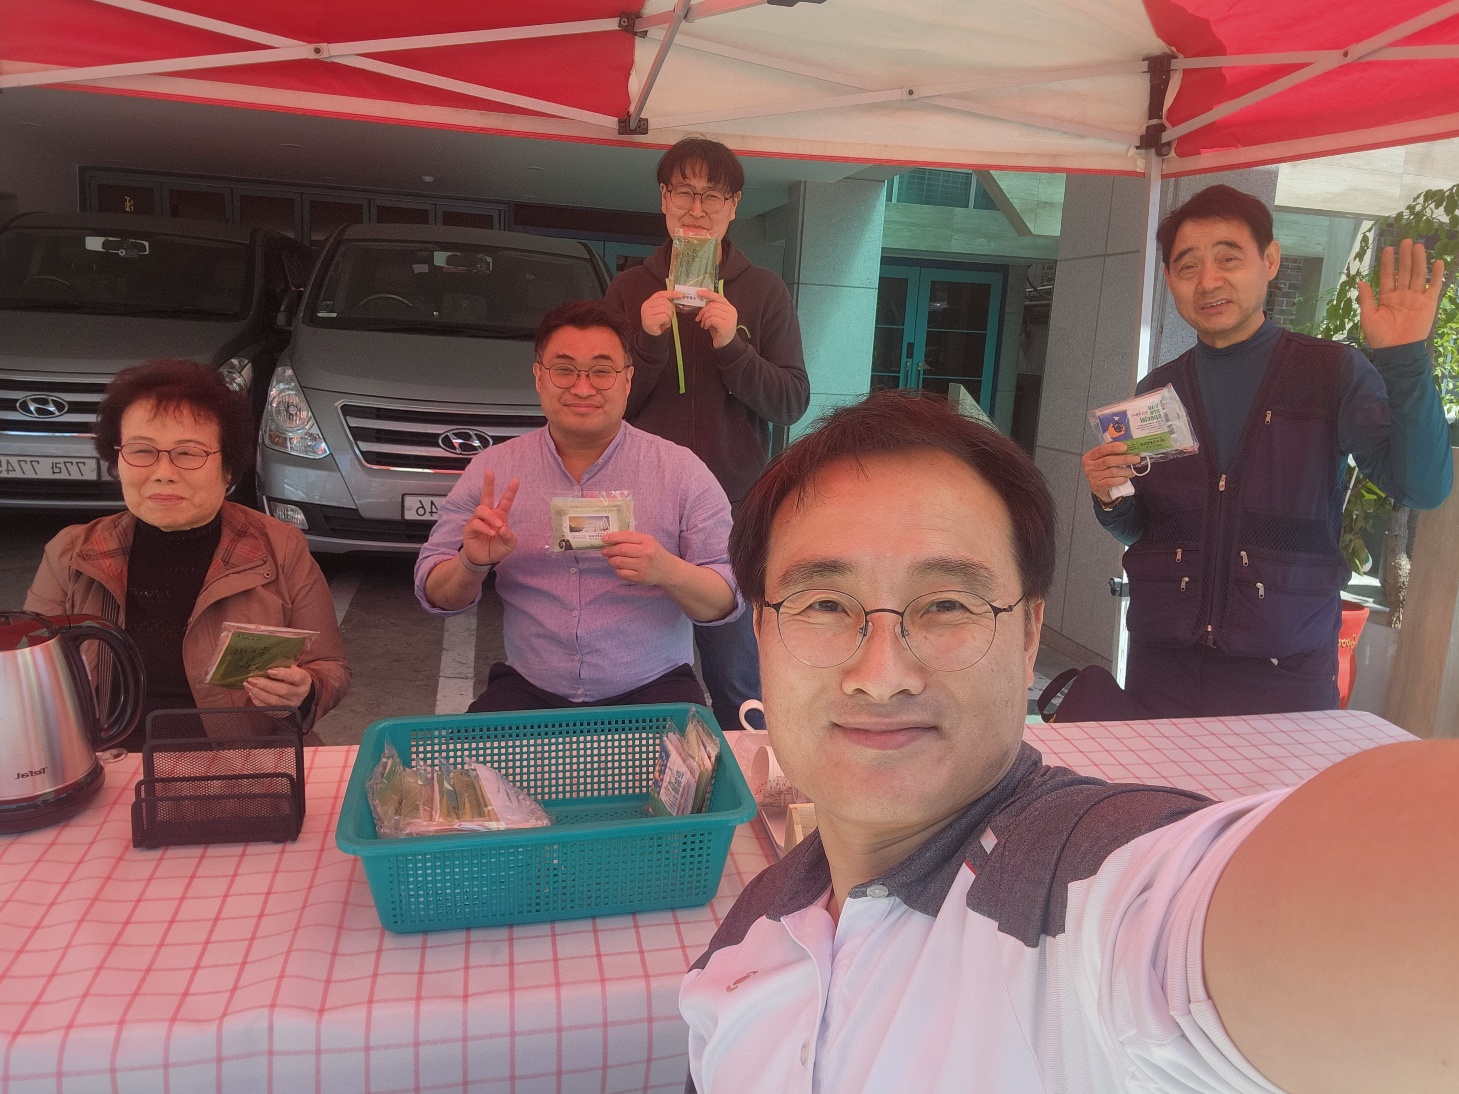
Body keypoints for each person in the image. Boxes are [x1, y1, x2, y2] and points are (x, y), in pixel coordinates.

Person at [682, 389, 1458, 1093]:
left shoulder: (1092, 897)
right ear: (762, 633)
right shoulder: (750, 927)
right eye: (822, 604)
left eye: (947, 604)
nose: (880, 676)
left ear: (1028, 637)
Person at [1080, 184, 1452, 717]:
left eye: (1228, 258)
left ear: (1270, 260)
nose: (1209, 281)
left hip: (1285, 674)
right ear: (1169, 279)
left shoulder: (1331, 372)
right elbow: (1144, 528)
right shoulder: (1159, 391)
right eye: (1188, 267)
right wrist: (1110, 496)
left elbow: (1421, 487)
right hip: (1162, 667)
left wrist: (1406, 359)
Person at [414, 299, 740, 713]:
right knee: (469, 755)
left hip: (653, 686)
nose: (583, 388)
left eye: (602, 371)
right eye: (564, 369)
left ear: (627, 379)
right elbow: (435, 592)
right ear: (538, 376)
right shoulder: (492, 471)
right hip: (530, 687)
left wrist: (667, 570)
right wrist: (471, 563)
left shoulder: (681, 471)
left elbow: (727, 598)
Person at [25, 359, 350, 749]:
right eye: (141, 450)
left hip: (247, 765)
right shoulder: (71, 554)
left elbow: (329, 668)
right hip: (109, 765)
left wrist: (304, 691)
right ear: (117, 462)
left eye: (188, 453)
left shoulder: (280, 547)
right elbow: (31, 678)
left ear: (227, 469)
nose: (163, 472)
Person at [604, 136, 810, 731]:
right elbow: (602, 404)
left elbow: (790, 401)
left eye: (713, 196)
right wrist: (644, 343)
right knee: (639, 668)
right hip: (643, 503)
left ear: (733, 206)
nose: (697, 209)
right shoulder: (629, 289)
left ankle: (744, 770)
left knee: (737, 675)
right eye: (685, 193)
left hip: (732, 506)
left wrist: (732, 345)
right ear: (664, 199)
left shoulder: (763, 290)